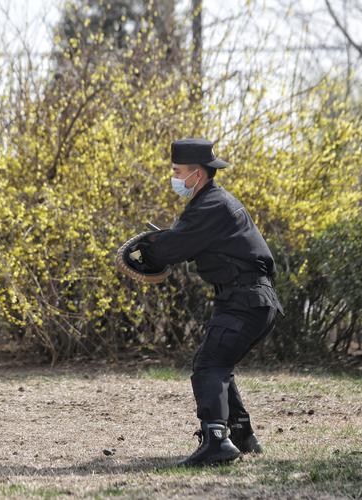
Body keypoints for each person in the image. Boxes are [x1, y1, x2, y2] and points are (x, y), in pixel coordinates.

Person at [131, 138, 284, 467]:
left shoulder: (211, 205)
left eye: (177, 171)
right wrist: (160, 243)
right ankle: (242, 435)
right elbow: (183, 239)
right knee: (215, 361)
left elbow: (176, 246)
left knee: (210, 365)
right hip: (250, 299)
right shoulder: (209, 203)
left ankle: (217, 441)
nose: (173, 178)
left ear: (196, 174)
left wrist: (146, 249)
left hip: (245, 300)